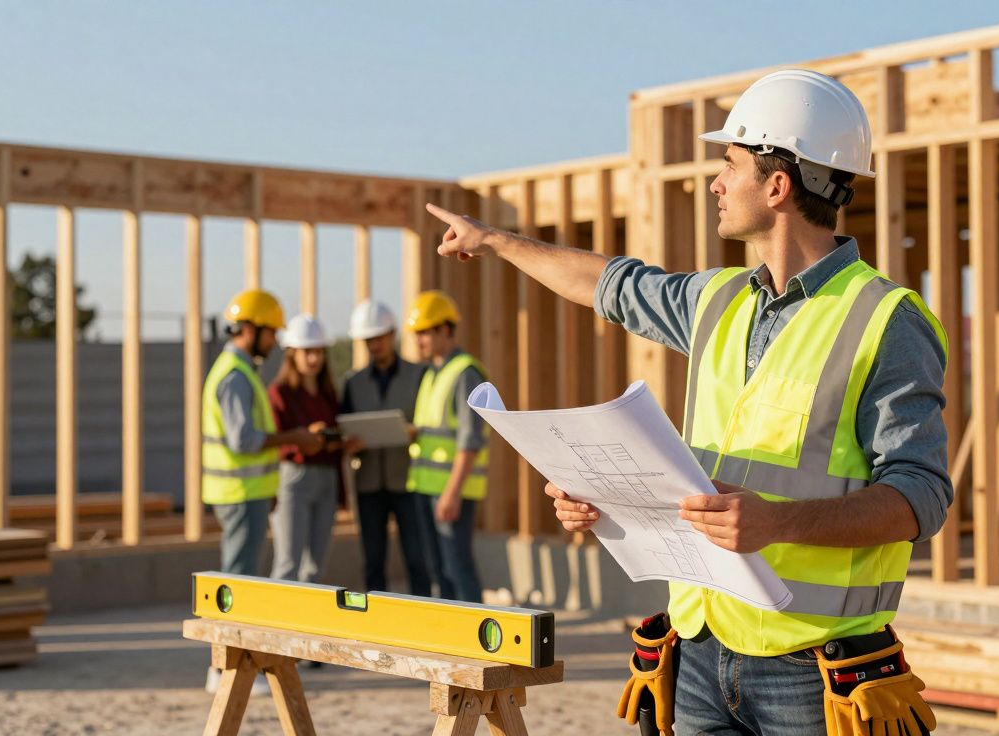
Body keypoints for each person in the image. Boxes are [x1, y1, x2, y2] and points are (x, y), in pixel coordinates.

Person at [426, 70, 948, 736]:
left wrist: (779, 523)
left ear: (778, 186)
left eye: (729, 166)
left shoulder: (885, 320)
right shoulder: (719, 301)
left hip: (813, 668)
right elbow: (609, 285)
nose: (715, 184)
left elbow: (920, 497)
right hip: (698, 651)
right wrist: (495, 241)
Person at [201, 289, 324, 693]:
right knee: (235, 582)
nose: (274, 341)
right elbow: (244, 441)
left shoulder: (239, 370)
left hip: (246, 492)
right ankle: (223, 671)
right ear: (250, 329)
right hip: (238, 493)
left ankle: (228, 668)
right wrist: (295, 437)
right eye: (271, 332)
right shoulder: (235, 375)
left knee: (241, 577)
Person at [341, 300, 434, 595]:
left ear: (392, 334)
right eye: (368, 340)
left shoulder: (419, 376)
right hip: (368, 484)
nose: (374, 345)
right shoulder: (352, 383)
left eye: (378, 338)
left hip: (407, 481)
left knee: (418, 558)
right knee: (373, 561)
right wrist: (350, 445)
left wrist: (414, 432)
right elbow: (345, 428)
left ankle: (423, 617)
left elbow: (428, 423)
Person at [405, 291, 489, 603]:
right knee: (439, 569)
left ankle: (476, 642)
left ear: (445, 329)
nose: (419, 341)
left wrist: (452, 492)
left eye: (425, 332)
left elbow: (470, 440)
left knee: (457, 568)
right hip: (427, 487)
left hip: (450, 491)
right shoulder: (431, 374)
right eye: (416, 334)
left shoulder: (465, 373)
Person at [268, 314, 355, 585]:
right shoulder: (279, 393)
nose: (314, 359)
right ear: (292, 353)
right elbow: (273, 440)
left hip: (327, 478)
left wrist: (343, 442)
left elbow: (335, 437)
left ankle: (303, 625)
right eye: (307, 352)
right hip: (294, 478)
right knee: (288, 563)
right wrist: (303, 438)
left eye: (318, 351)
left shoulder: (329, 395)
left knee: (315, 567)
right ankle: (278, 624)